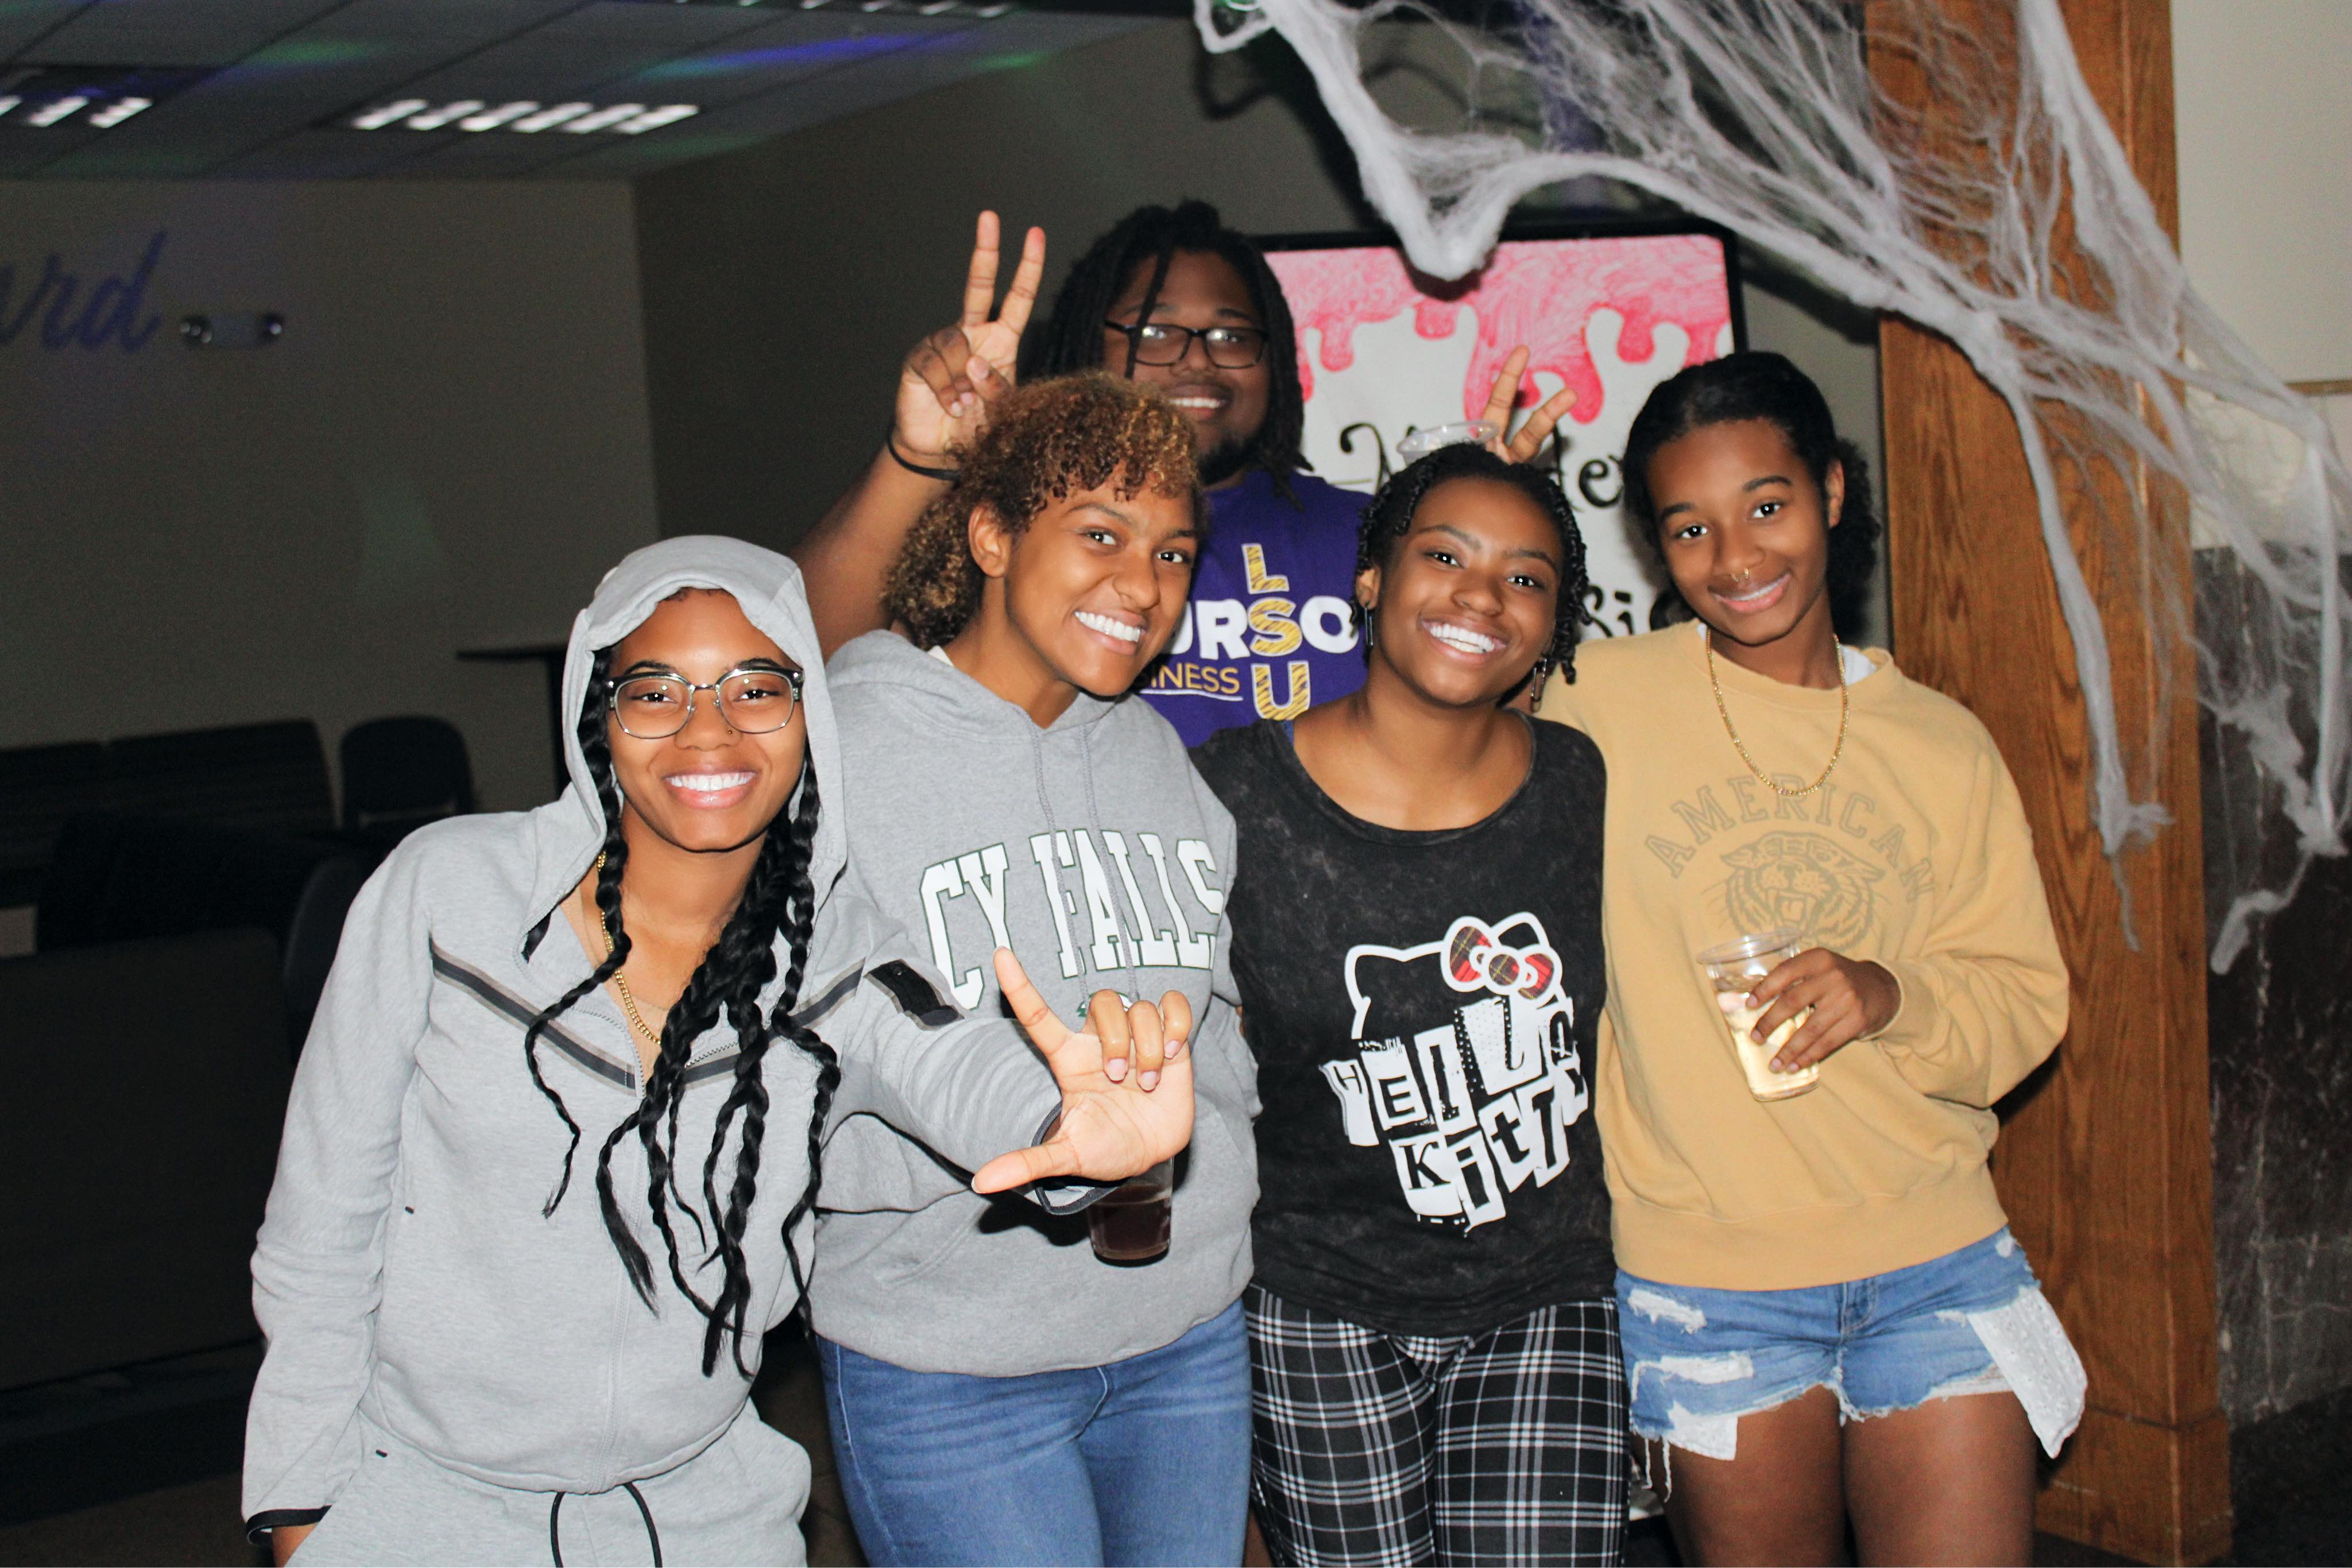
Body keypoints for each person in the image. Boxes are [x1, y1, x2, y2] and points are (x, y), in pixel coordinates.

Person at [242, 537, 1198, 1566]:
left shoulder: (833, 957)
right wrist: (303, 1514)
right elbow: (320, 1229)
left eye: (756, 687)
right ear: (596, 717)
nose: (709, 731)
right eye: (657, 692)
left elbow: (951, 1062)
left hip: (706, 1519)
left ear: (807, 718)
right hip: (425, 1509)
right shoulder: (447, 898)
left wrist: (1076, 1127)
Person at [1536, 351, 2082, 1566]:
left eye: (1765, 506)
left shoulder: (1941, 742)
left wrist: (1890, 993)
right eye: (1689, 529)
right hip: (1704, 1280)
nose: (1734, 559)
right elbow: (1429, 702)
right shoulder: (1596, 700)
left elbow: (2021, 1001)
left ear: (1832, 491)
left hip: (1936, 1262)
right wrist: (1489, 505)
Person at [811, 373, 1262, 1566]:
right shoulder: (849, 742)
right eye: (1100, 536)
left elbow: (1217, 1026)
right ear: (992, 534)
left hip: (1185, 1336)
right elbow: (835, 1019)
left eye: (1172, 552)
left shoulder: (1161, 757)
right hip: (951, 1358)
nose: (1142, 585)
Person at [1191, 442, 1622, 1565]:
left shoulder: (1581, 783)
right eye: (1444, 556)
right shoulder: (1234, 792)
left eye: (1525, 576)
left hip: (1545, 1287)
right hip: (1312, 1295)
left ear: (1553, 620)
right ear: (1371, 579)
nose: (1481, 595)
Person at [791, 204, 1574, 745]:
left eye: (1233, 336)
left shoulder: (1365, 532)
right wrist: (918, 458)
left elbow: (1495, 721)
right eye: (1158, 331)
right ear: (1088, 341)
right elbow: (808, 656)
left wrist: (1490, 535)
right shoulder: (1020, 527)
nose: (1199, 359)